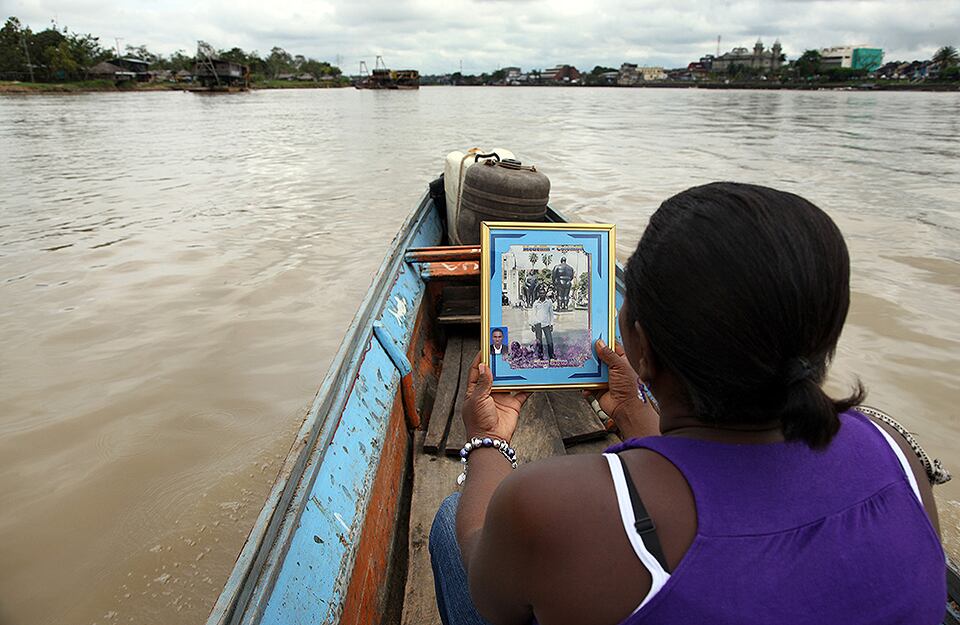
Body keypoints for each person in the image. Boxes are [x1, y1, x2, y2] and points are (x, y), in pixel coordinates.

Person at [429, 182, 948, 625]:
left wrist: (488, 441)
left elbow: (486, 590)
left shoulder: (543, 506)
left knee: (459, 516)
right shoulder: (895, 449)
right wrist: (632, 409)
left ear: (644, 345)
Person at [528, 290, 555, 360]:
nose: (542, 294)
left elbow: (551, 313)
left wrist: (551, 324)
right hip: (538, 324)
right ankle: (540, 356)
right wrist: (532, 324)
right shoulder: (536, 303)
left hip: (546, 324)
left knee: (550, 341)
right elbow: (533, 314)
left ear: (545, 294)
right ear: (539, 294)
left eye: (543, 293)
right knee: (539, 342)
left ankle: (551, 356)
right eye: (540, 293)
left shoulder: (549, 302)